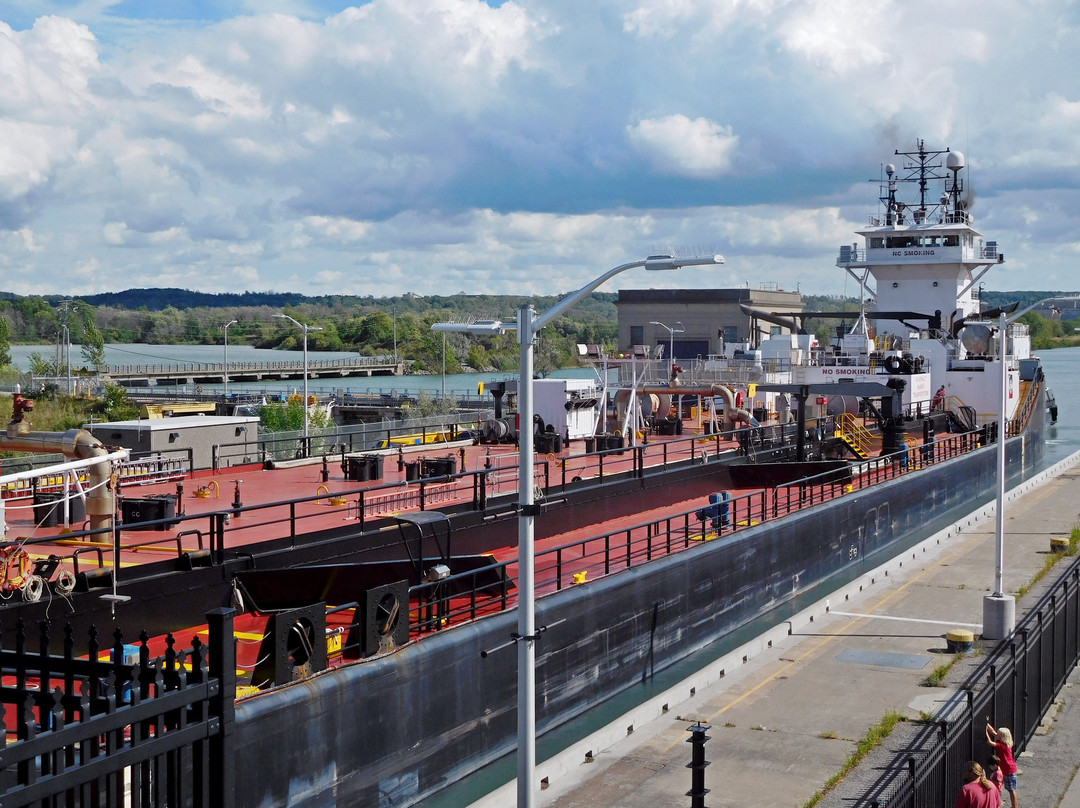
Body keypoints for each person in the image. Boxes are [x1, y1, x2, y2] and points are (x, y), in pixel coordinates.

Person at [987, 721, 1018, 808]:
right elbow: (994, 733)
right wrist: (987, 725)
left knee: (1011, 790)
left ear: (1002, 736)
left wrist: (985, 731)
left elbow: (989, 742)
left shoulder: (1001, 746)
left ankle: (1015, 806)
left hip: (1008, 769)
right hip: (1010, 768)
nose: (997, 735)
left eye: (999, 734)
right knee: (1011, 789)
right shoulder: (1007, 743)